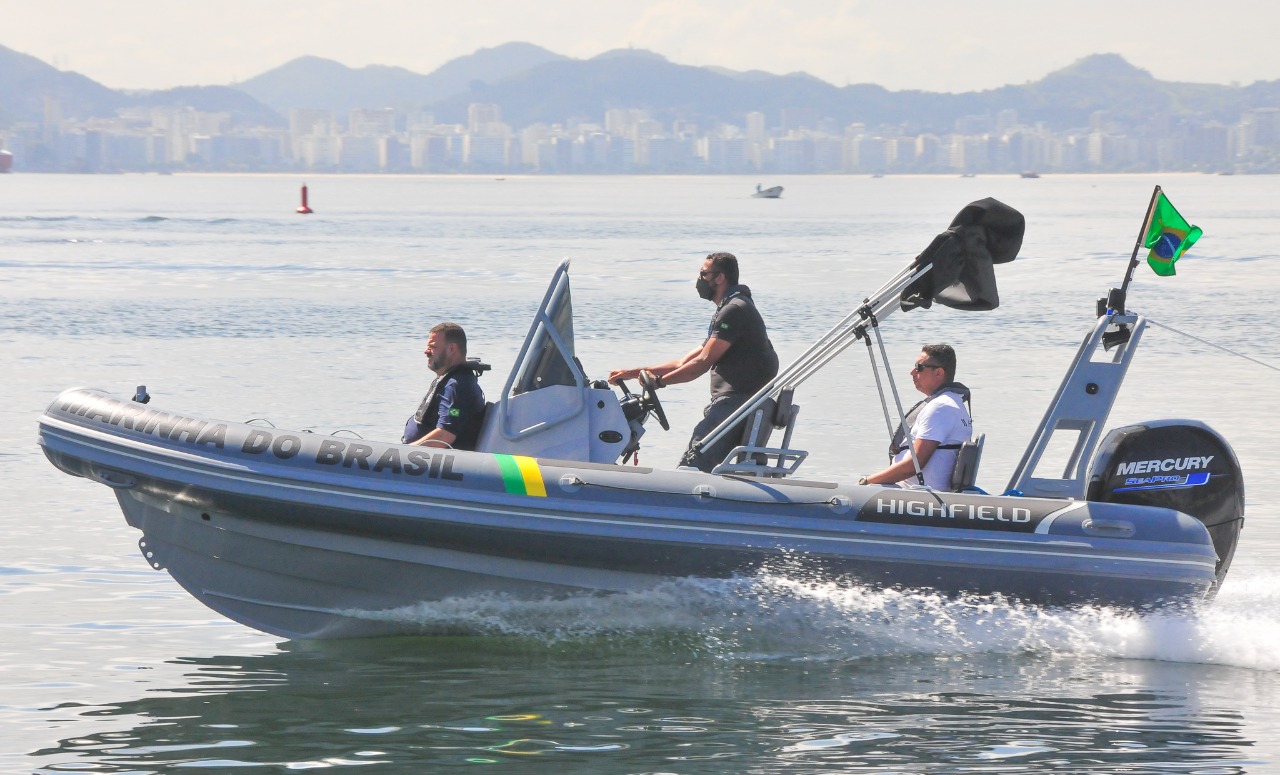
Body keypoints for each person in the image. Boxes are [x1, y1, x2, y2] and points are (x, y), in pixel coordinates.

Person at [609, 252, 779, 472]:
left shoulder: (734, 310)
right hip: (735, 404)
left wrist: (659, 382)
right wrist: (632, 373)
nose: (699, 280)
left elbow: (702, 363)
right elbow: (684, 362)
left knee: (692, 464)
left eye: (704, 274)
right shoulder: (732, 308)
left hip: (735, 405)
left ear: (720, 277)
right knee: (695, 461)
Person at [860, 344, 972, 489]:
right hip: (911, 492)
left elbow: (914, 464)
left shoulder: (941, 407)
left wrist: (866, 481)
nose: (912, 372)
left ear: (938, 373)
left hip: (916, 493)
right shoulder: (952, 403)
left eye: (919, 367)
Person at [402, 322, 487, 450]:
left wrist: (405, 452)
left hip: (434, 459)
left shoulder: (457, 386)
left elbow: (445, 436)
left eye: (432, 347)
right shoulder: (452, 381)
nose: (426, 351)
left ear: (451, 349)